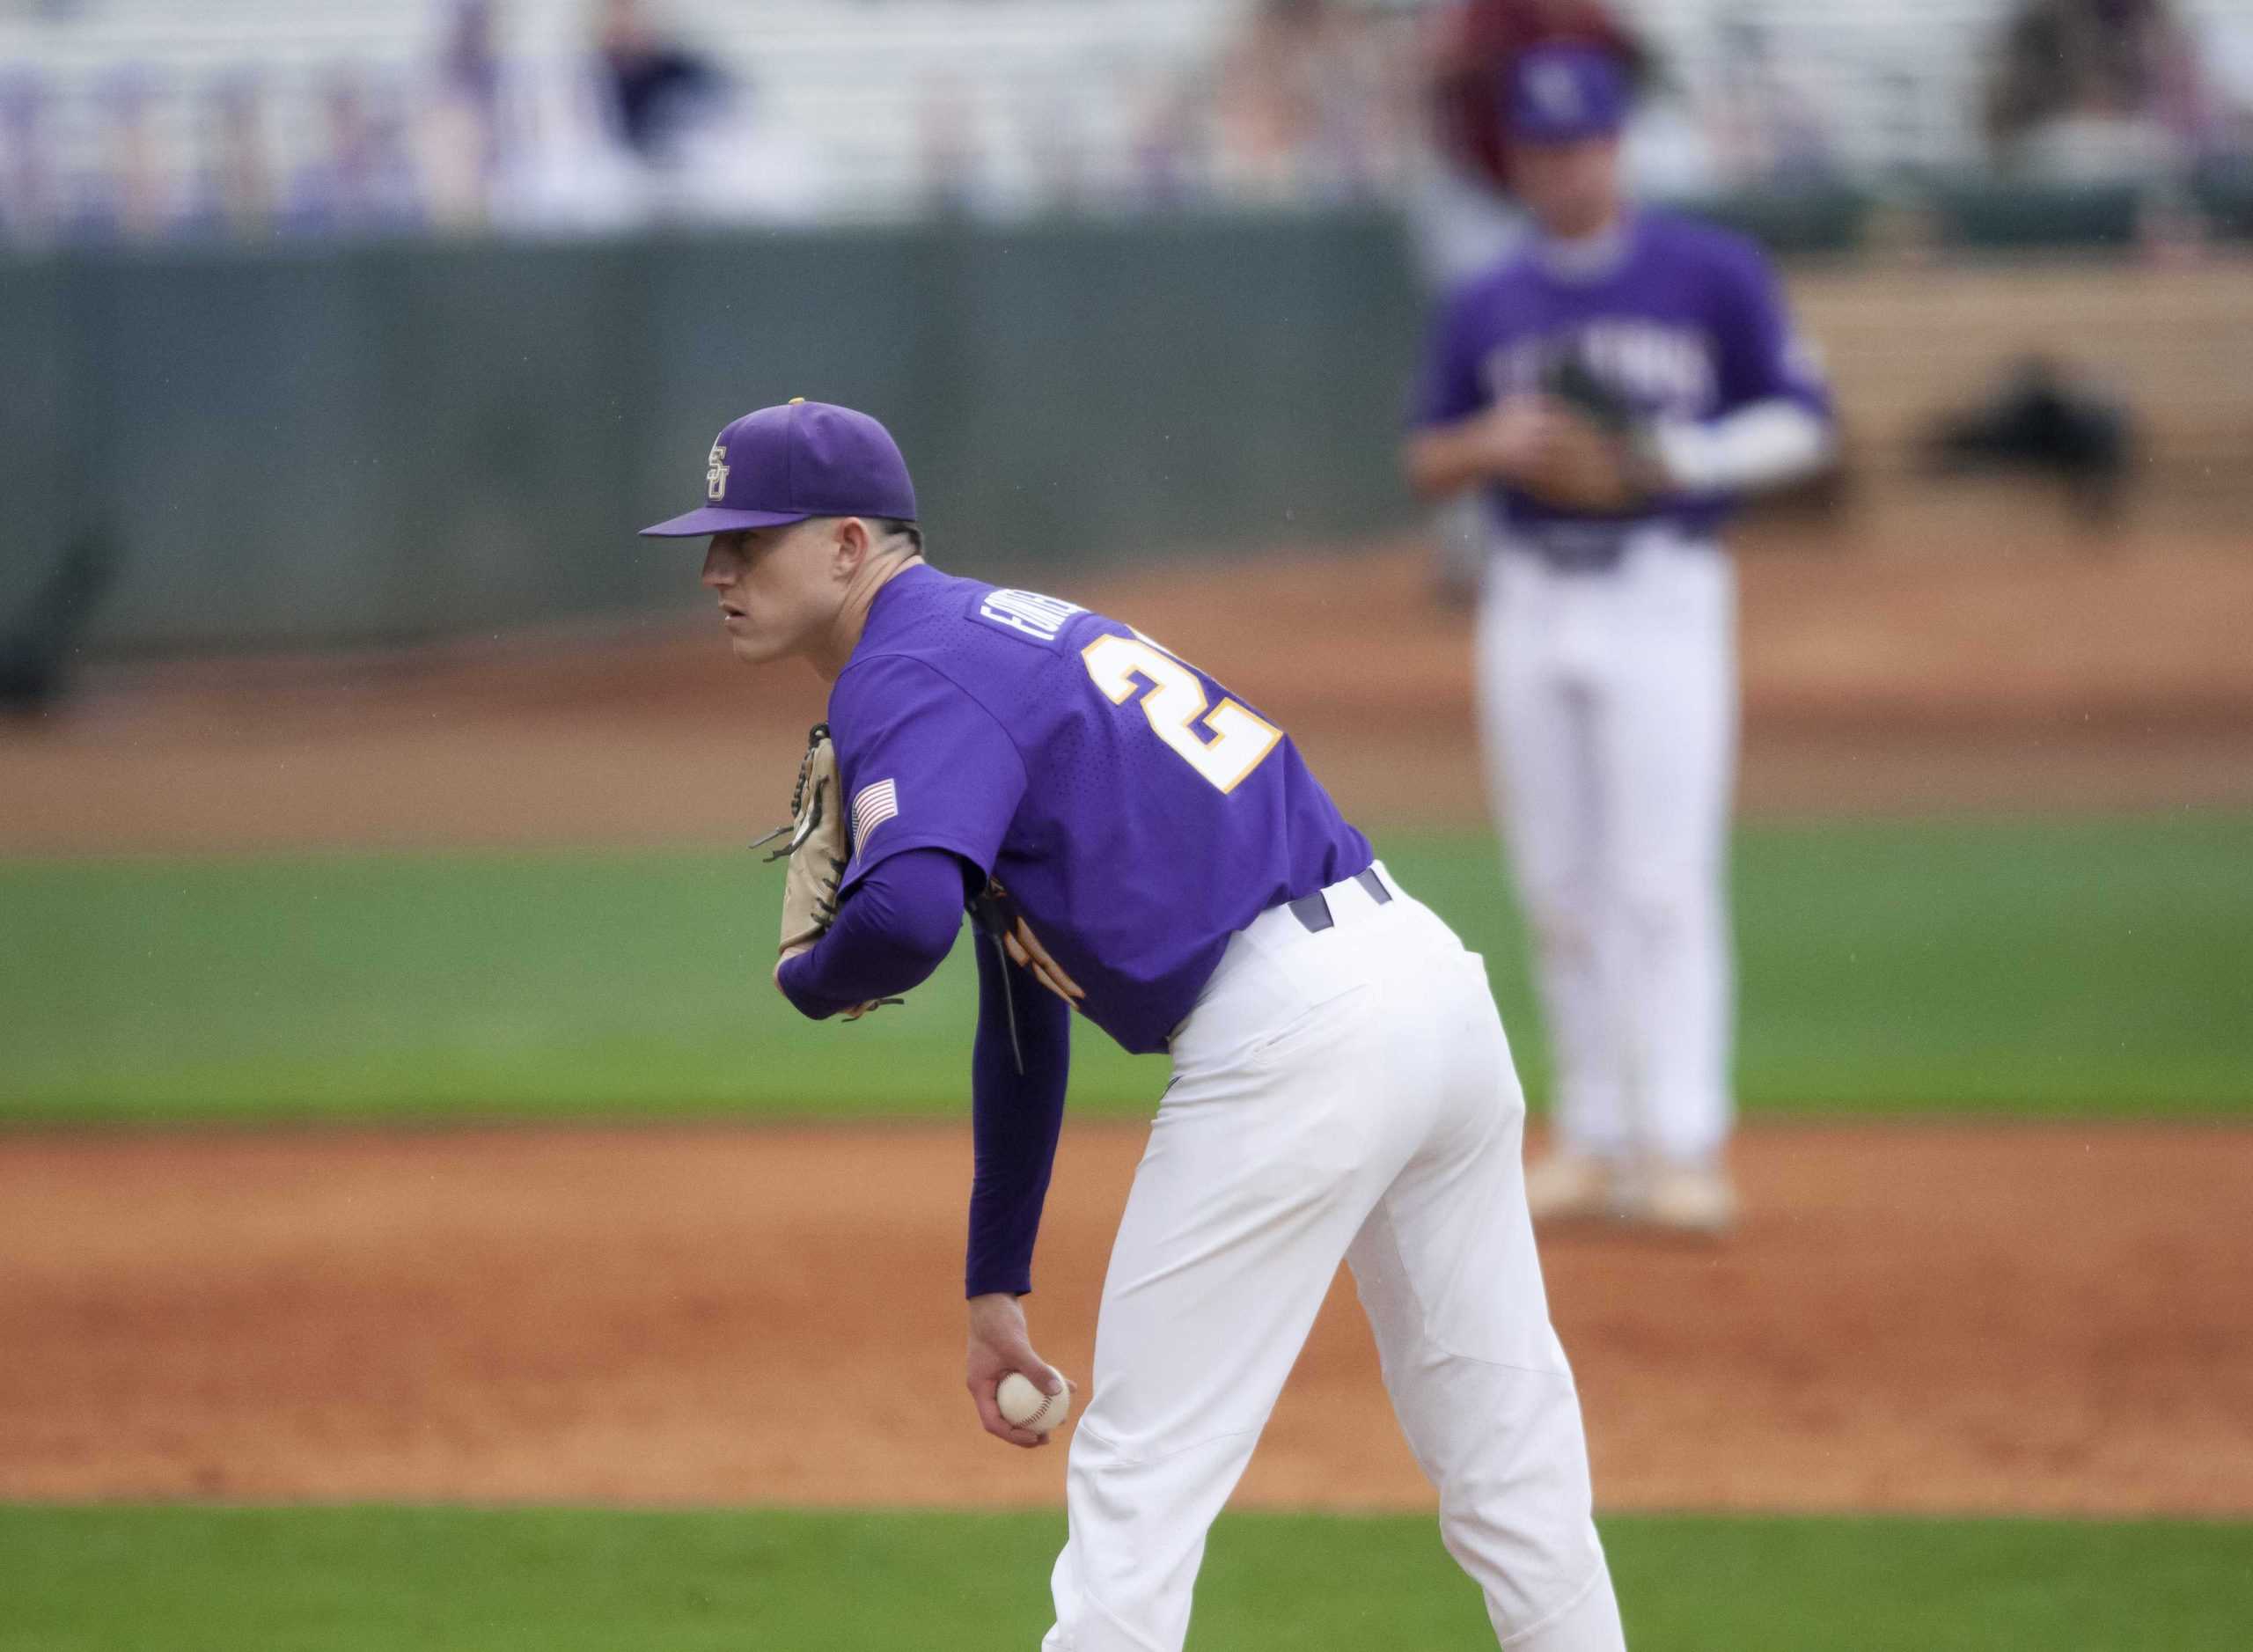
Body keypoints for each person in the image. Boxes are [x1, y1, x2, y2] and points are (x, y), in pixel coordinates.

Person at [641, 399, 1627, 1651]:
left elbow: (902, 925)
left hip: (1296, 1044)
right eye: (711, 544)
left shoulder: (904, 666)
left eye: (751, 539)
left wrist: (809, 979)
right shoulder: (991, 633)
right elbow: (1016, 1002)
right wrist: (996, 1276)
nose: (718, 569)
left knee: (1140, 1483)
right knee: (1507, 1448)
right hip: (1426, 988)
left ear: (848, 543)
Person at [1402, 46, 1835, 1234]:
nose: (1563, 167)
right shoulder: (1488, 300)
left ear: (1617, 146)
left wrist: (1673, 460)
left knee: (1661, 878)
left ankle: (1684, 1139)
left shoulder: (1709, 271)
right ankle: (1594, 1134)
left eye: (1581, 144)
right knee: (1560, 882)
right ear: (1518, 163)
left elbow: (1805, 421)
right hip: (1531, 587)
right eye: (1541, 150)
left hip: (1663, 582)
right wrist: (1496, 444)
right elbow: (1425, 457)